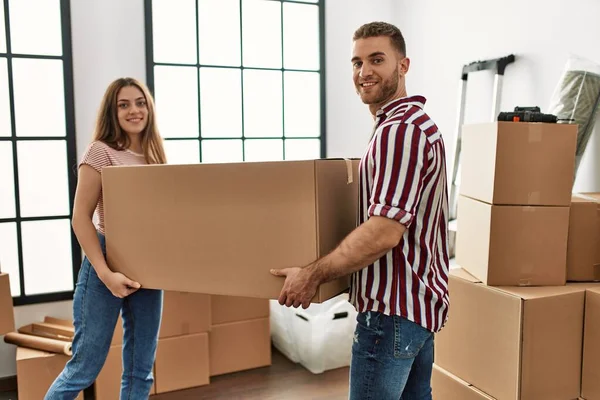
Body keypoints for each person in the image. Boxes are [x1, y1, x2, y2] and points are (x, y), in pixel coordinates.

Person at [270, 21, 450, 399]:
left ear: (403, 65)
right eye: (356, 62)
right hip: (414, 311)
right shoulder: (413, 125)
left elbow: (385, 231)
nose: (364, 72)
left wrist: (312, 274)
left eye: (377, 59)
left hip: (391, 314)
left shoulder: (399, 130)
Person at [45, 77, 167, 399]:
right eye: (123, 104)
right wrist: (105, 273)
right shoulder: (99, 152)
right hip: (104, 260)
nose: (134, 111)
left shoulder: (156, 157)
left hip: (148, 267)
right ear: (112, 112)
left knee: (141, 371)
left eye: (140, 103)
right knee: (84, 368)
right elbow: (80, 218)